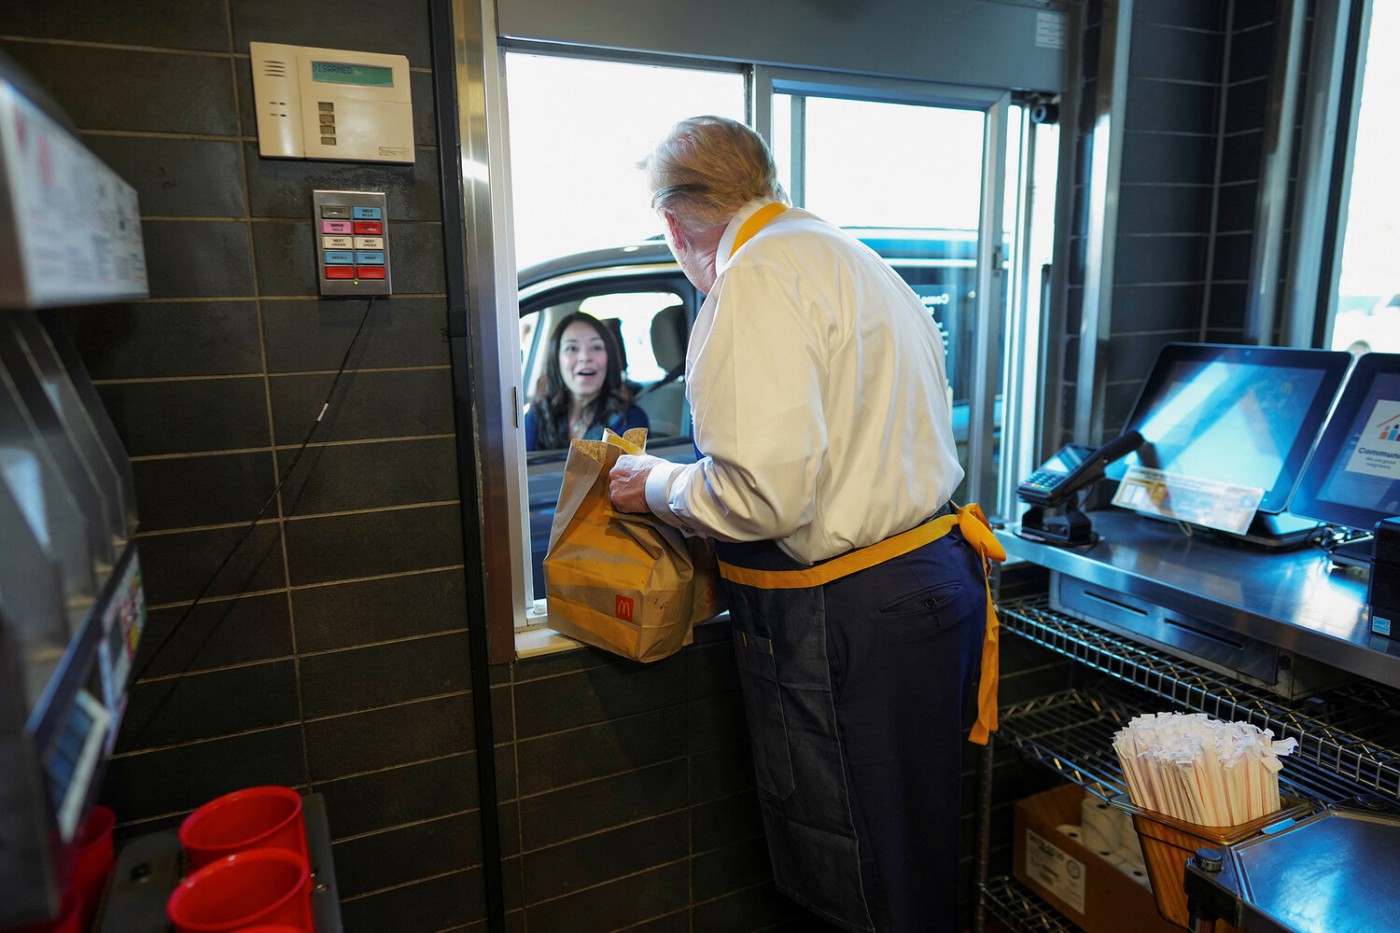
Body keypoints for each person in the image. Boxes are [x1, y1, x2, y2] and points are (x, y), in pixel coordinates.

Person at [607, 115, 1004, 933]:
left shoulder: (751, 279)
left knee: (852, 870)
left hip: (847, 618)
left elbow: (762, 498)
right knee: (913, 853)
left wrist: (658, 484)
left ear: (676, 223)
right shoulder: (852, 258)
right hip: (930, 585)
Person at [524, 311, 648, 451]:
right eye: (572, 348)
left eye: (596, 347)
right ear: (556, 359)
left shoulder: (630, 420)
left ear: (609, 357)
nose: (585, 357)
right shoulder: (539, 413)